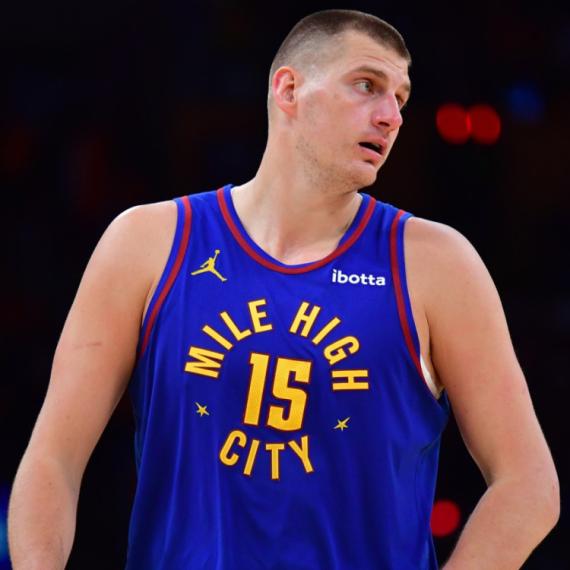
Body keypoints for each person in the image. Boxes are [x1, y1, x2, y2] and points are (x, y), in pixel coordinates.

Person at [8, 9, 559, 570]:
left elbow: (528, 484)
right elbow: (53, 458)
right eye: (367, 85)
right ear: (289, 90)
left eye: (401, 98)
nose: (391, 116)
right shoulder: (146, 243)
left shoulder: (437, 264)